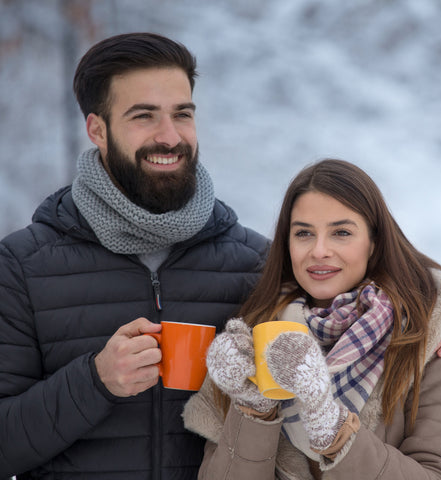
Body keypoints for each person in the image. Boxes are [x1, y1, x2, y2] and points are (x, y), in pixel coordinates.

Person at [0, 33, 270, 479]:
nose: (170, 137)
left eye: (182, 114)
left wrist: (427, 321)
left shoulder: (255, 262)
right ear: (97, 130)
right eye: (143, 116)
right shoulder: (21, 266)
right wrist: (96, 381)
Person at [183, 159, 441, 479]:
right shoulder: (256, 338)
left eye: (341, 232)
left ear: (374, 243)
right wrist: (254, 408)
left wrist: (335, 431)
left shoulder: (424, 336)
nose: (319, 250)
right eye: (304, 233)